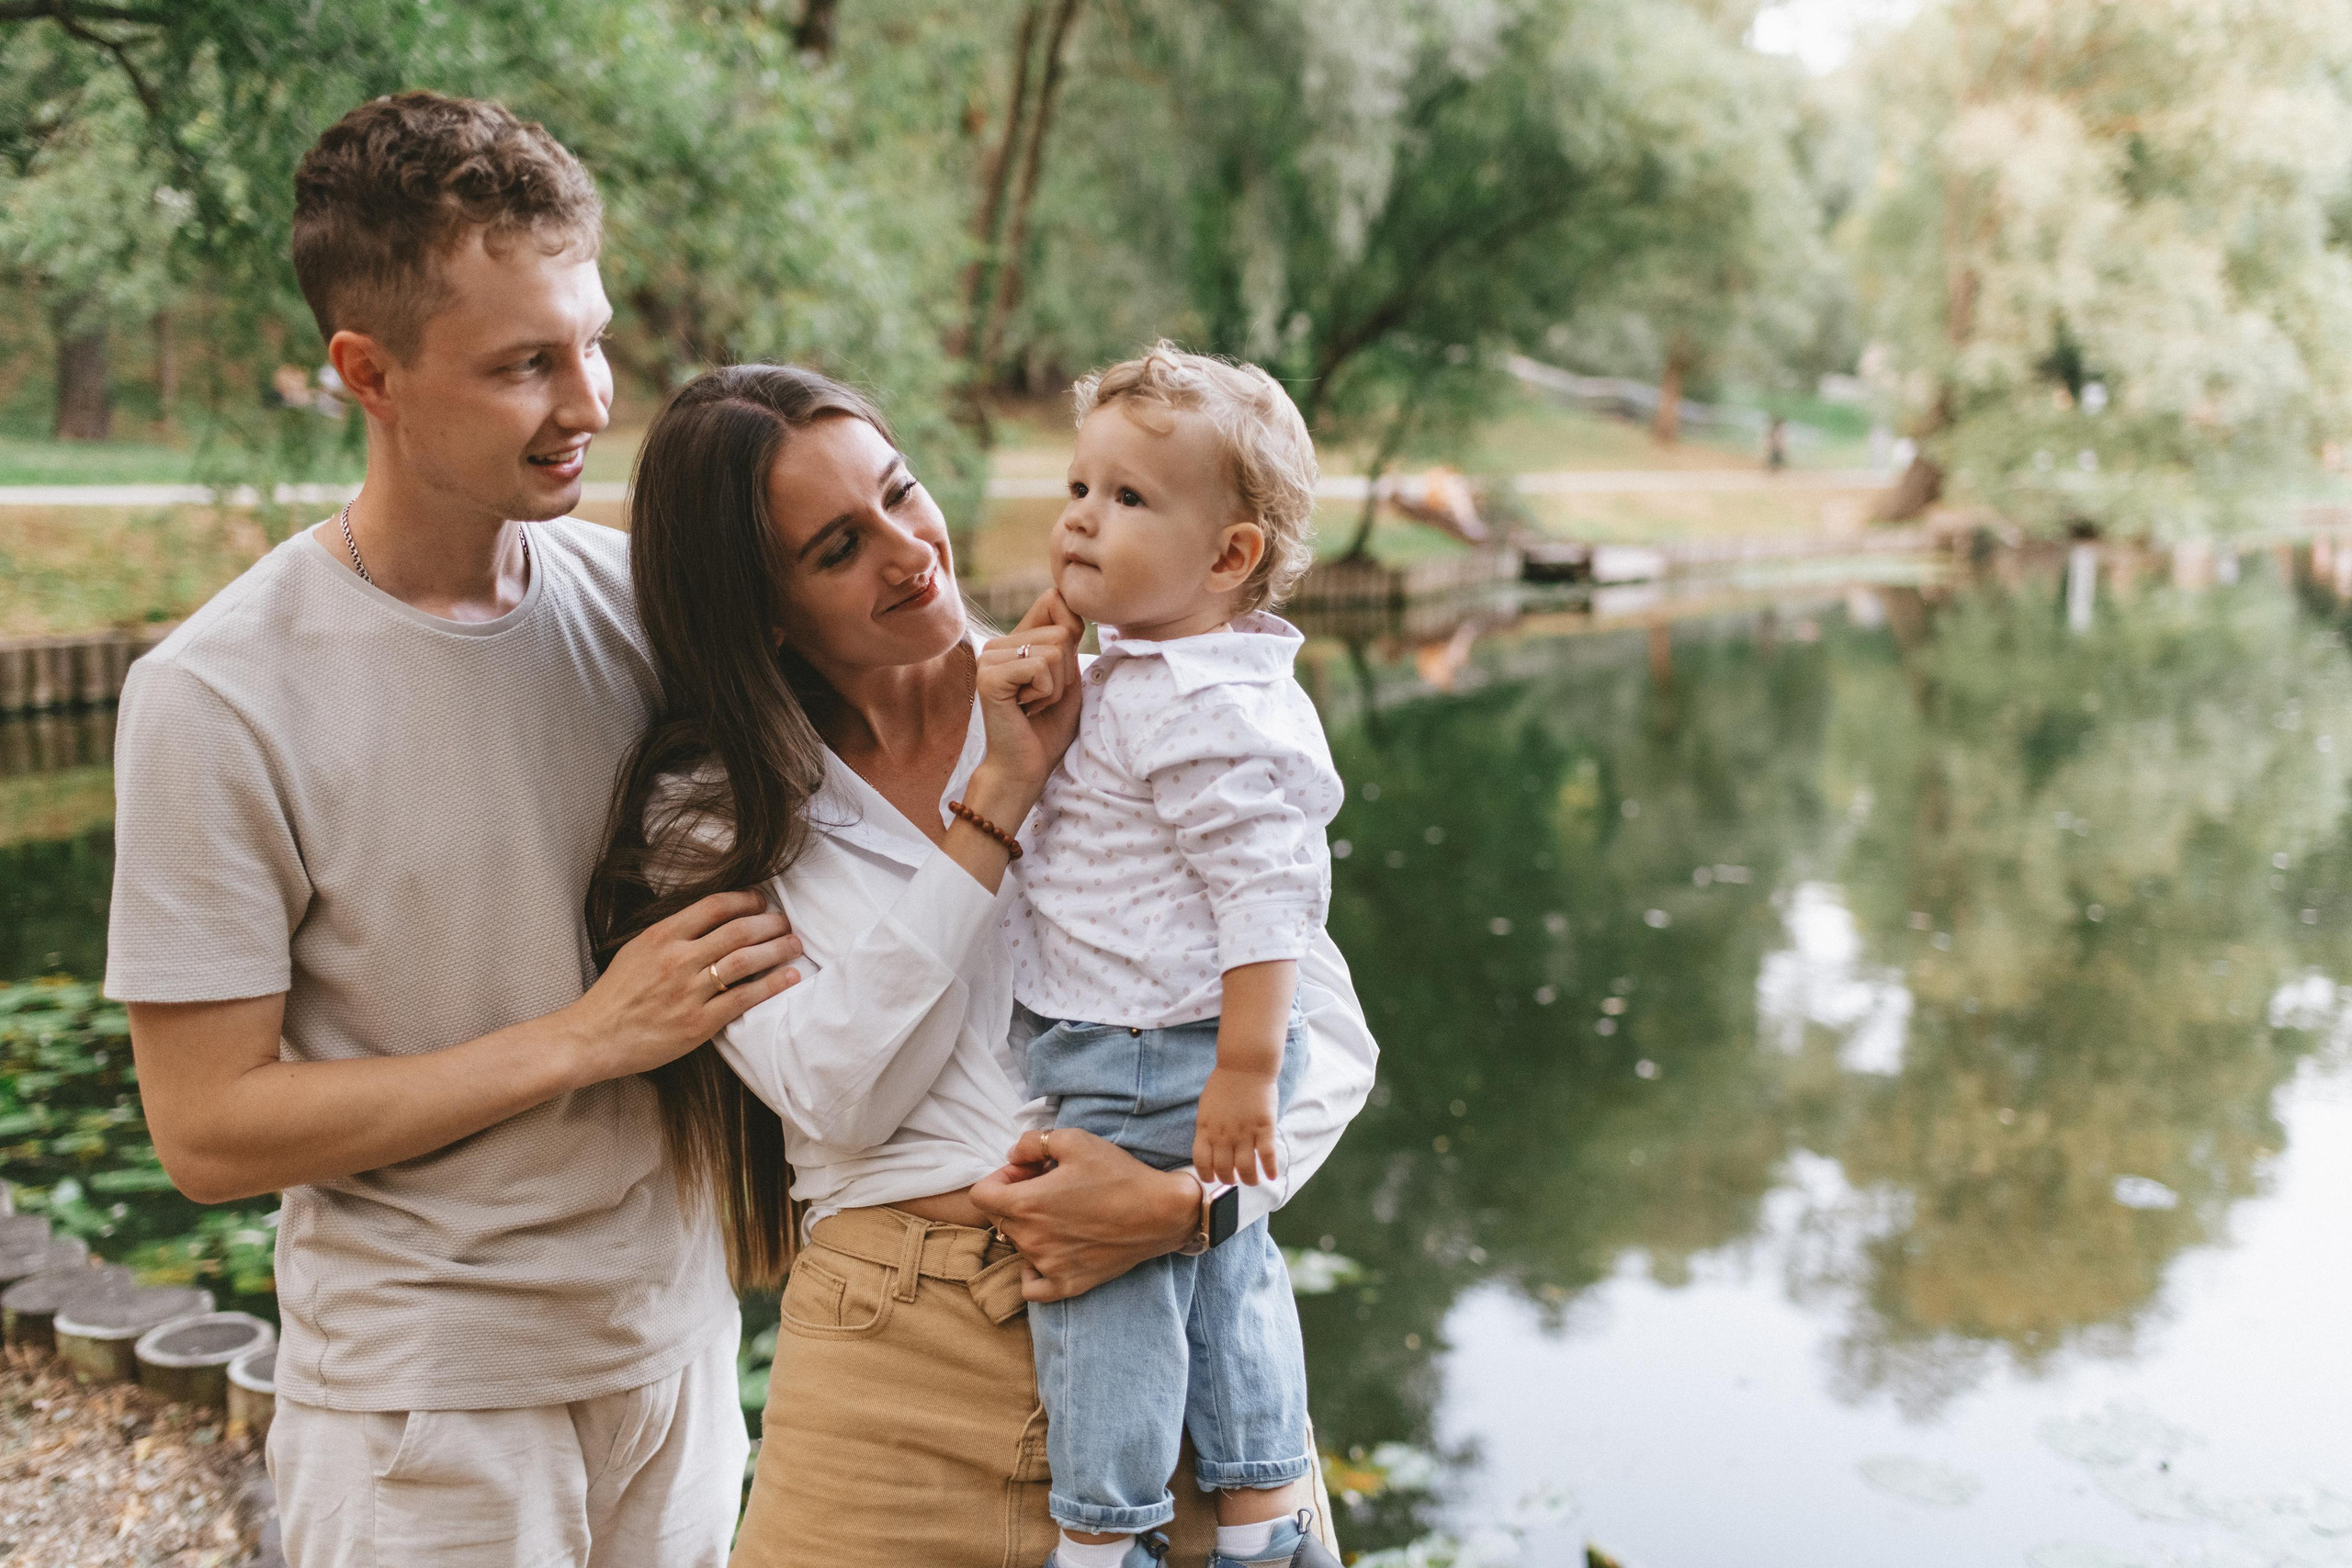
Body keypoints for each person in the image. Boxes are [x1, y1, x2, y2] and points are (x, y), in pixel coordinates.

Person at [103, 92, 808, 1567]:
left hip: (678, 1364)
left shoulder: (648, 606)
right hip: (428, 1418)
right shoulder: (217, 697)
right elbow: (208, 1129)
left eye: (594, 339)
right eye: (524, 365)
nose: (592, 398)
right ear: (369, 371)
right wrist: (587, 1037)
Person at [588, 364, 1377, 1568]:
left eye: (902, 493)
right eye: (840, 547)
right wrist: (998, 796)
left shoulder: (1126, 691)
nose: (910, 551)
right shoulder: (716, 813)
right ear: (759, 608)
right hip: (891, 1367)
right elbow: (836, 1092)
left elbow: (1326, 1037)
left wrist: (1190, 1211)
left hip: (1173, 1323)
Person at [1005, 344, 1342, 1568]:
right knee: (1232, 1262)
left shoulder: (1193, 704)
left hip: (1149, 1045)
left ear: (1228, 557)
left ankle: (1106, 1534)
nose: (1084, 520)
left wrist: (1244, 1070)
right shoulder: (1175, 673)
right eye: (1079, 488)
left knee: (1109, 1287)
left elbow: (1268, 895)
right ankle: (1259, 1512)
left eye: (1130, 499)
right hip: (1173, 1037)